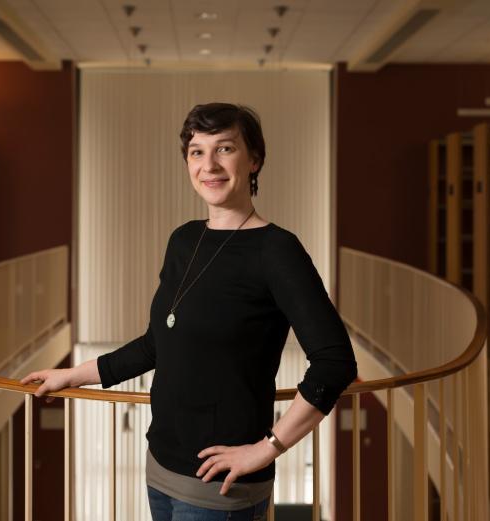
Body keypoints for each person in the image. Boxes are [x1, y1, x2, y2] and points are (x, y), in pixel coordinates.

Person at [21, 102, 358, 521]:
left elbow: (334, 362)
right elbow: (155, 344)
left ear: (254, 160)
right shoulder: (185, 240)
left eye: (225, 149)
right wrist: (72, 374)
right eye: (197, 151)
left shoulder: (277, 251)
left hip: (220, 489)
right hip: (160, 467)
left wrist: (266, 448)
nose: (209, 164)